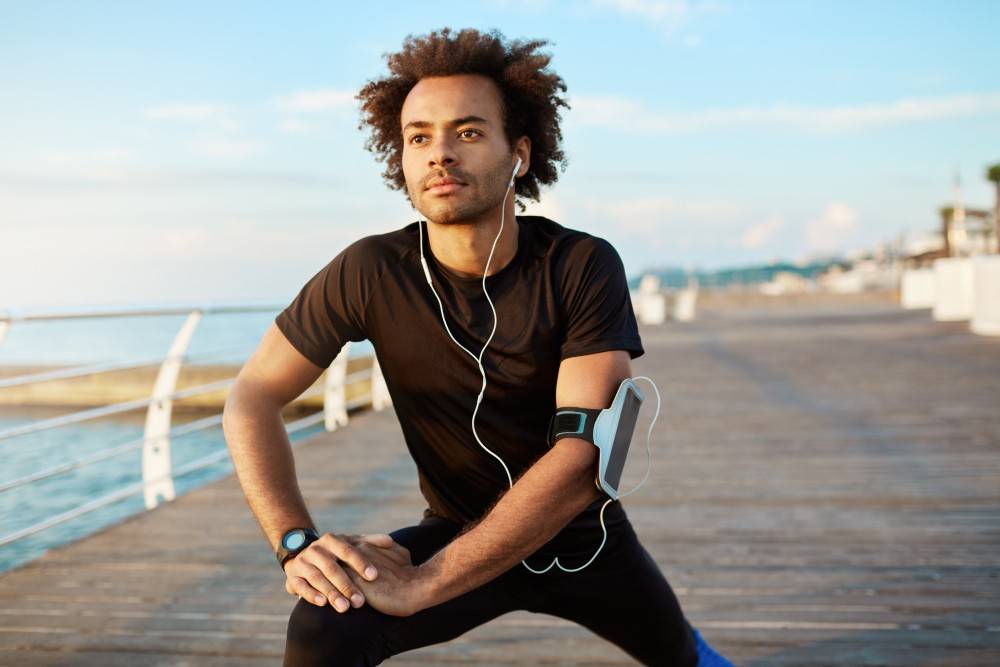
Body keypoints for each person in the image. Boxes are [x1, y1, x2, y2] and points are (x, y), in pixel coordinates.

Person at [223, 27, 732, 666]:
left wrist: (424, 584)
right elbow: (253, 396)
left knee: (678, 656)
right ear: (400, 158)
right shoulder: (369, 271)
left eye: (467, 132)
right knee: (326, 624)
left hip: (587, 541)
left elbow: (581, 458)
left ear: (519, 154)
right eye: (418, 137)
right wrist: (296, 541)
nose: (439, 154)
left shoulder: (579, 263)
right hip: (453, 531)